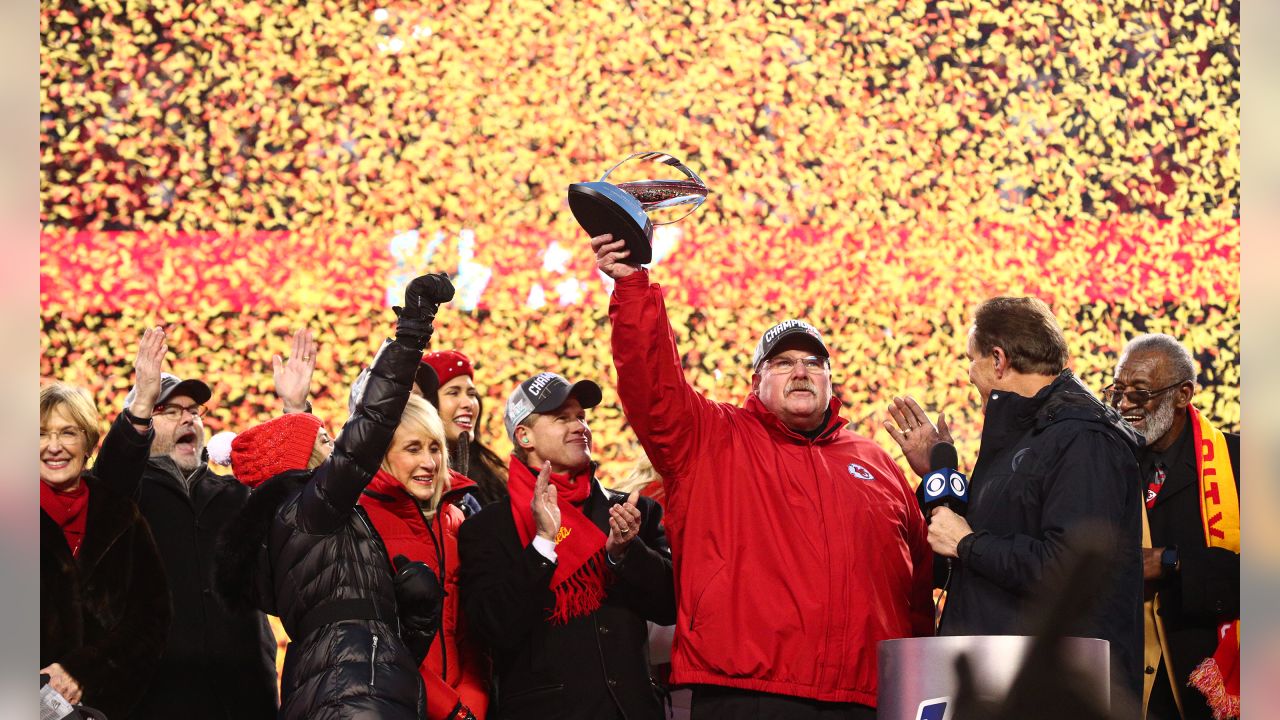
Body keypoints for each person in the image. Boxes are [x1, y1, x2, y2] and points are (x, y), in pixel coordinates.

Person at [593, 234, 933, 718]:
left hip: (865, 698)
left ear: (831, 381)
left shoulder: (876, 462)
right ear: (756, 381)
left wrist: (916, 683)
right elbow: (653, 383)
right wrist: (633, 289)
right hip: (748, 692)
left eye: (814, 364)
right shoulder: (712, 438)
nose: (801, 372)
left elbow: (916, 586)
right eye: (783, 363)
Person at [212, 271, 456, 719]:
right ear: (303, 462)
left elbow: (374, 635)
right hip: (353, 696)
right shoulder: (310, 513)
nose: (335, 448)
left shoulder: (294, 528)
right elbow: (372, 425)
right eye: (325, 441)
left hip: (341, 686)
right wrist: (412, 331)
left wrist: (415, 620)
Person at [885, 296, 1144, 712]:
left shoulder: (1083, 439)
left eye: (972, 359)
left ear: (999, 360)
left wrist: (968, 544)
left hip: (1051, 691)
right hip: (1003, 678)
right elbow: (986, 543)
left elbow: (1068, 569)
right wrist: (937, 478)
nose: (969, 373)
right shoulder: (1026, 436)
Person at [105, 327, 313, 718]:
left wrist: (296, 412)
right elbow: (110, 480)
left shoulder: (238, 495)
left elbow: (304, 505)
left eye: (193, 411)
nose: (188, 419)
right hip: (154, 700)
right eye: (171, 410)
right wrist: (140, 405)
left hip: (246, 697)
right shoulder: (125, 499)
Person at [458, 371, 676, 720]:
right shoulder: (488, 528)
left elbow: (670, 605)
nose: (579, 427)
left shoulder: (632, 511)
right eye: (562, 418)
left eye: (581, 417)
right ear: (524, 435)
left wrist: (626, 554)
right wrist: (543, 544)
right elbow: (493, 628)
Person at [40, 332, 171, 718]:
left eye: (67, 432)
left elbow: (151, 620)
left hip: (106, 708)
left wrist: (83, 672)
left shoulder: (120, 515)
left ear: (88, 442)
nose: (54, 446)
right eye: (41, 434)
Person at [1109, 334, 1239, 720]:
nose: (1124, 404)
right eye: (1118, 390)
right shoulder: (1107, 464)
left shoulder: (1241, 463)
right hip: (1126, 683)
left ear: (1184, 395)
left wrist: (1171, 562)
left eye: (1140, 392)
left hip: (1206, 682)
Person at [358, 395, 490, 720]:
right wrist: (452, 710)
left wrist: (473, 703)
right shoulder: (360, 524)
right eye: (413, 448)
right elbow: (379, 644)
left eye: (435, 448)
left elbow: (469, 634)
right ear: (383, 454)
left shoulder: (457, 522)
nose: (430, 463)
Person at [420, 349, 509, 507]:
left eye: (471, 393)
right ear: (426, 404)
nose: (468, 403)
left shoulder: (491, 478)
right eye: (453, 393)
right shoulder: (418, 478)